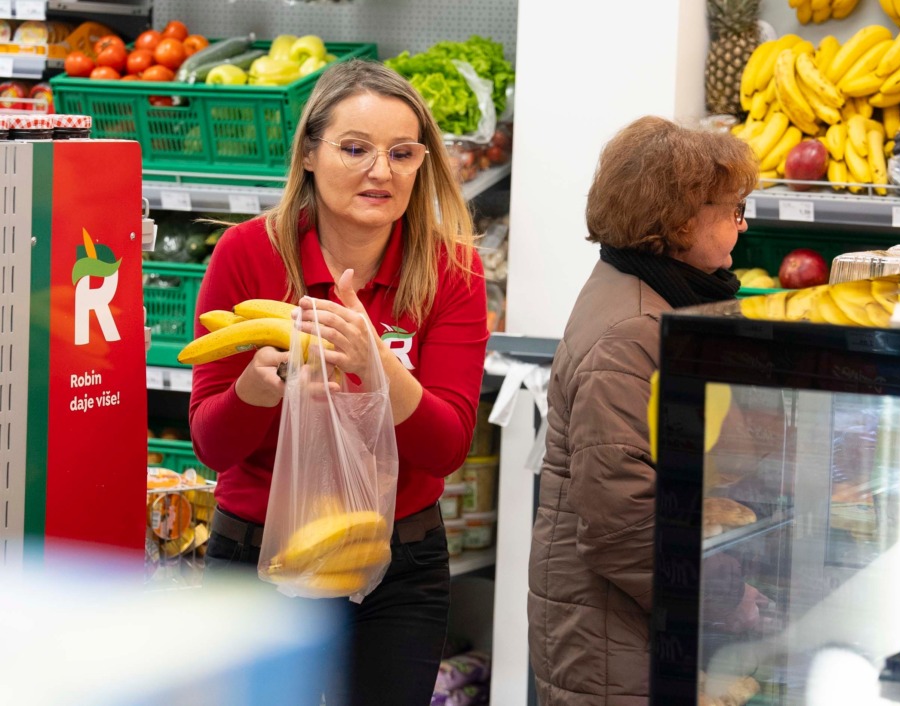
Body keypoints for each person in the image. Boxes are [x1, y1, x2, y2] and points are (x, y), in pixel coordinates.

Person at [188, 59, 489, 705]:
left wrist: (378, 365)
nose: (381, 171)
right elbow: (211, 447)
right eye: (355, 149)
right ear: (307, 154)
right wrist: (256, 393)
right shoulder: (248, 253)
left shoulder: (451, 269)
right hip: (258, 557)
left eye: (402, 153)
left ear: (423, 164)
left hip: (398, 566)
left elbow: (447, 449)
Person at [527, 116, 767, 705]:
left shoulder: (661, 296)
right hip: (613, 638)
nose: (742, 224)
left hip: (631, 622)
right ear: (682, 219)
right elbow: (620, 518)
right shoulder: (633, 328)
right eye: (734, 209)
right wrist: (720, 596)